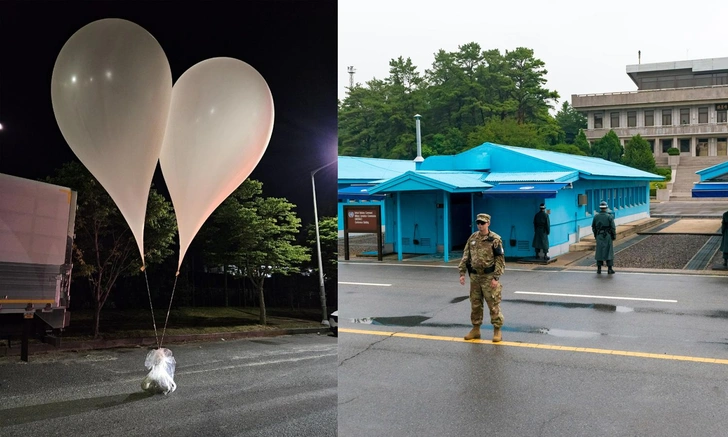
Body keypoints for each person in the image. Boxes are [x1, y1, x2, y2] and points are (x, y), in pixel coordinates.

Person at [458, 213, 505, 342]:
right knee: (475, 304)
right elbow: (466, 256)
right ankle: (476, 329)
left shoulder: (495, 239)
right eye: (478, 223)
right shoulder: (473, 238)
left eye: (483, 223)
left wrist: (496, 277)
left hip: (489, 276)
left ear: (488, 223)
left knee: (493, 304)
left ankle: (497, 330)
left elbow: (500, 260)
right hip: (475, 276)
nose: (480, 225)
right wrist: (462, 273)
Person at [591, 201, 616, 274]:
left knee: (599, 251)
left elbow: (593, 227)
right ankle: (609, 269)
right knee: (609, 251)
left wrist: (596, 235)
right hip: (607, 235)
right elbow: (613, 228)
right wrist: (613, 236)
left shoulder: (596, 216)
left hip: (599, 235)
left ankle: (599, 269)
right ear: (606, 208)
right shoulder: (609, 216)